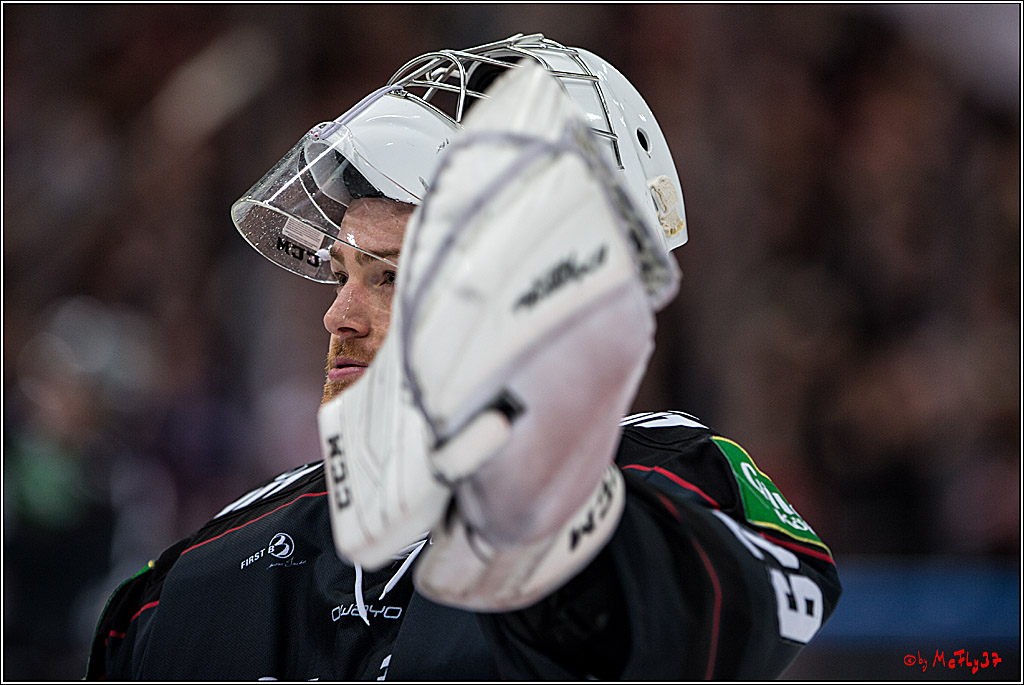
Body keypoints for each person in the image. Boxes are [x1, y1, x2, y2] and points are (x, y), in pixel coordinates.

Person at [86, 33, 841, 680]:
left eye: (391, 276)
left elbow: (720, 609)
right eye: (343, 272)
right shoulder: (213, 574)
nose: (337, 314)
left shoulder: (671, 482)